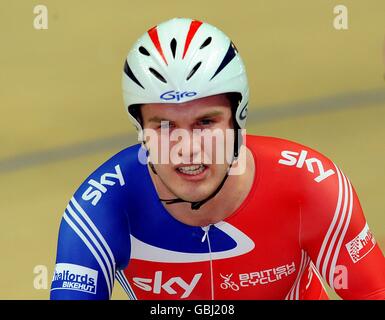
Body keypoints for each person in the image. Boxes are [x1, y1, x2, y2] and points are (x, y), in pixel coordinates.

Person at [50, 18, 385, 300]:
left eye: (205, 123)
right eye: (164, 126)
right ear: (141, 130)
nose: (187, 148)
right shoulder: (99, 209)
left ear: (238, 118)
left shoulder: (311, 187)